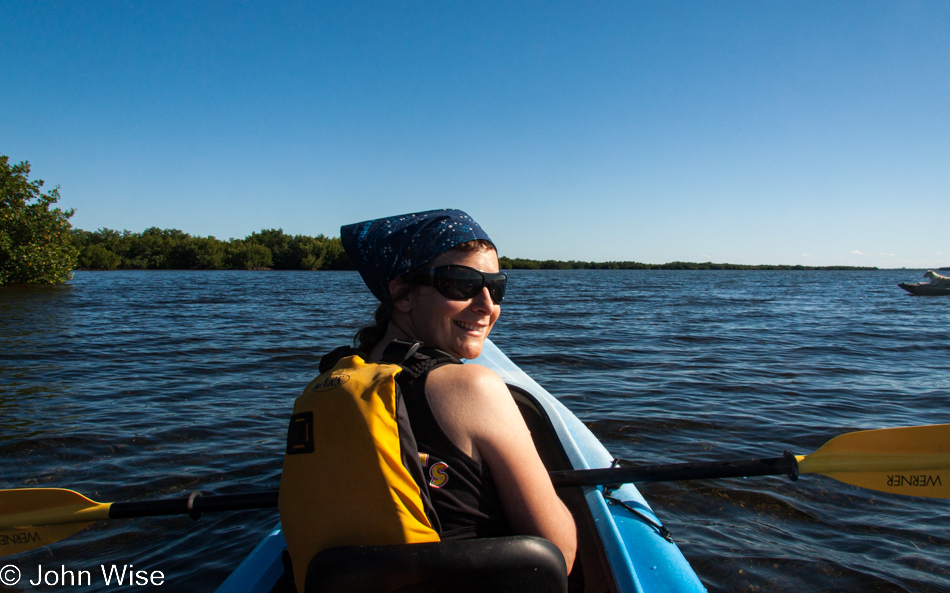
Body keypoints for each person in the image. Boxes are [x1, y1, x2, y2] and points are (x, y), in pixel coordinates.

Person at [340, 208, 577, 569]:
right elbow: (560, 552)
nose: (487, 306)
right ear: (402, 294)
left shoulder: (336, 381)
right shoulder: (474, 388)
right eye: (462, 284)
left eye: (496, 288)